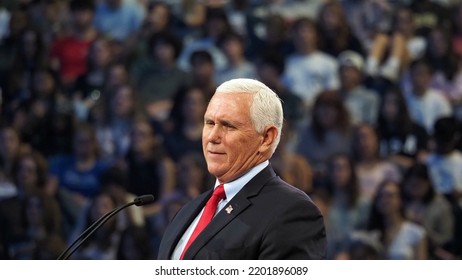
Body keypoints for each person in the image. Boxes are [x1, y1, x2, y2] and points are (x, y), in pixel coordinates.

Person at [158, 78, 326, 260]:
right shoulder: (186, 212)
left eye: (228, 126)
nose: (212, 137)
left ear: (266, 138)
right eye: (209, 123)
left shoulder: (292, 211)